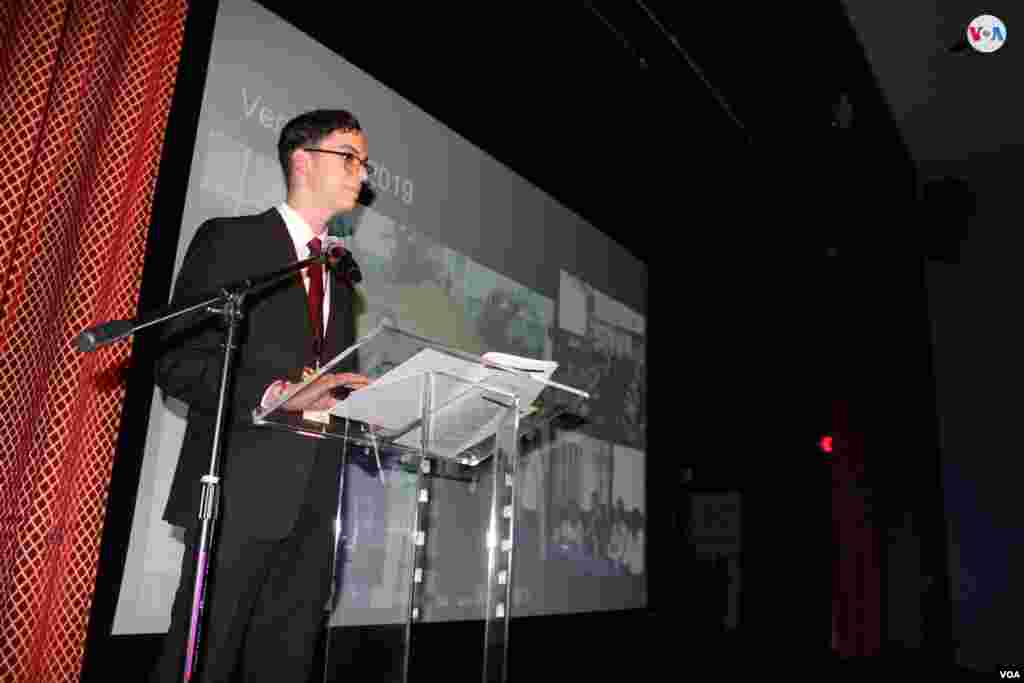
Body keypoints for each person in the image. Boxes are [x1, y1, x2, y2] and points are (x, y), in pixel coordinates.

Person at [150, 109, 374, 683]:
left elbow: (328, 385)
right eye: (349, 157)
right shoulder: (232, 241)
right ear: (302, 159)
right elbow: (178, 362)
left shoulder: (341, 279)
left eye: (364, 163)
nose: (362, 174)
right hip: (237, 493)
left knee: (286, 665)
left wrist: (362, 406)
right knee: (204, 661)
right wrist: (278, 392)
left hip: (316, 503)